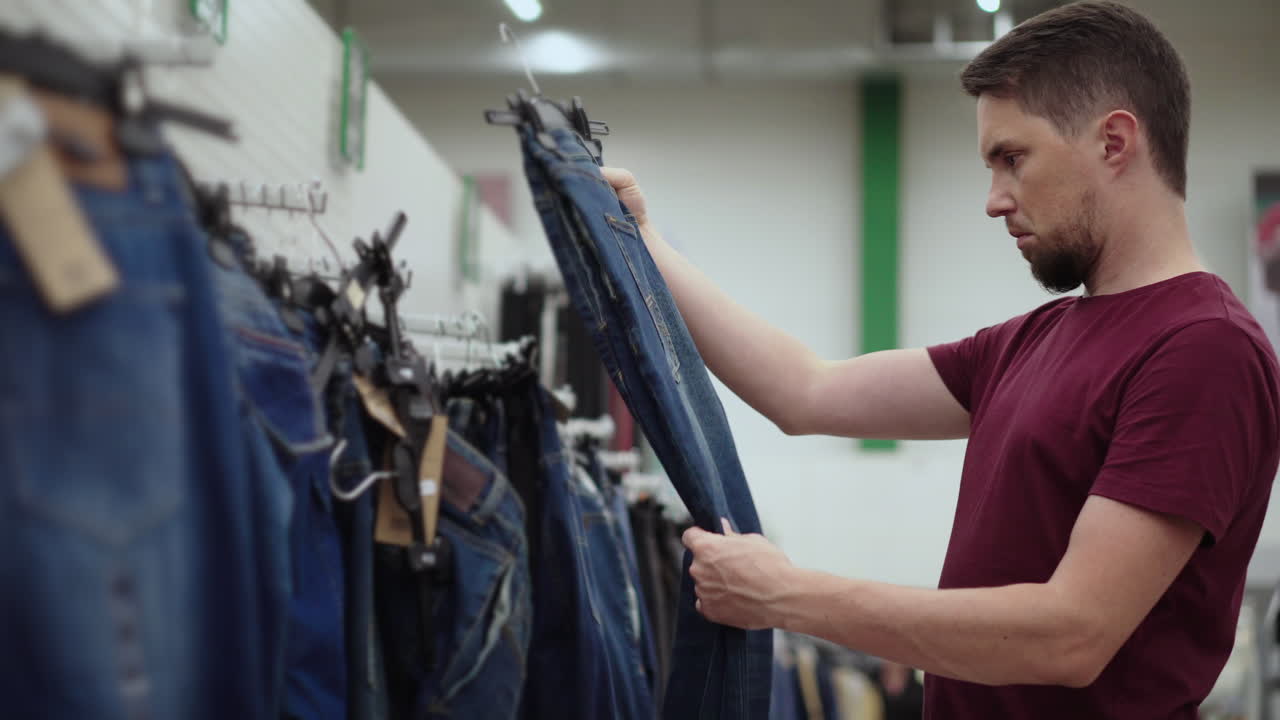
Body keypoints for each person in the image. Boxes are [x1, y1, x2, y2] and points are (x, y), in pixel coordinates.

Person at [599, 1, 1280, 718]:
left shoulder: (1206, 349)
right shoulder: (1033, 339)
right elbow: (805, 391)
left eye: (1012, 159)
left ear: (1114, 142)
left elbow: (1071, 635)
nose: (993, 201)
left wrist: (788, 595)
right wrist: (647, 249)